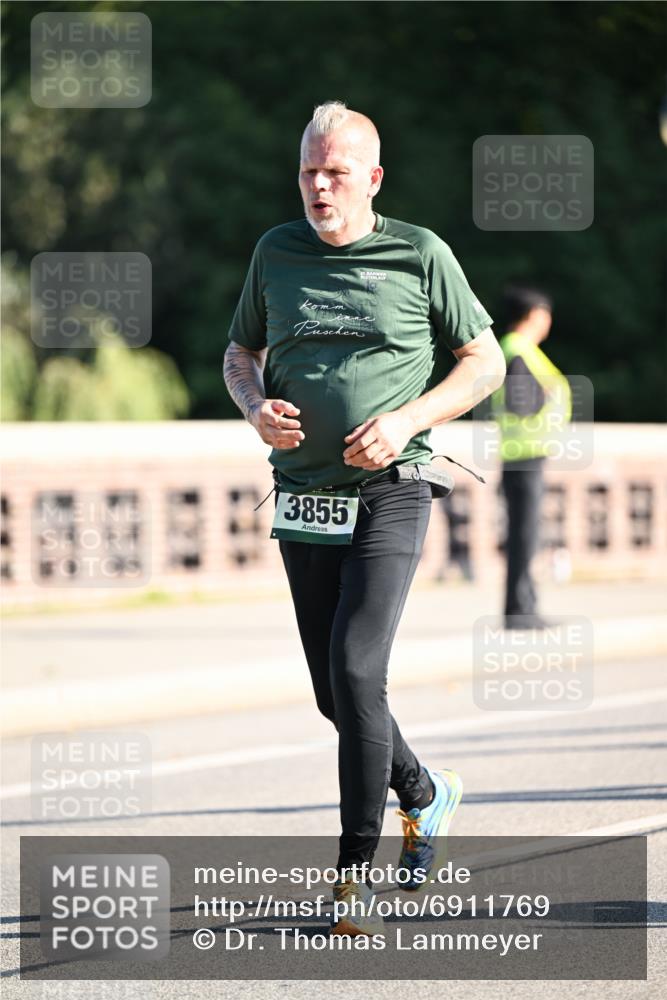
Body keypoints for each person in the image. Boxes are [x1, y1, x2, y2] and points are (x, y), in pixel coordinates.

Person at [223, 101, 505, 936]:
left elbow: (483, 360)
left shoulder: (420, 254)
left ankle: (353, 879)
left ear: (372, 180)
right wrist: (253, 408)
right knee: (330, 696)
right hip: (303, 498)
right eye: (308, 170)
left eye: (335, 172)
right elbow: (241, 353)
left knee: (355, 671)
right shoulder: (275, 251)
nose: (318, 185)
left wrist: (408, 421)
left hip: (392, 492)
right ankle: (424, 790)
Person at [492, 286, 571, 630]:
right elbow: (519, 401)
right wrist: (548, 395)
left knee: (525, 533)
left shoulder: (516, 350)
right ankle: (520, 610)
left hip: (523, 453)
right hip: (524, 454)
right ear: (535, 315)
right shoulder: (518, 350)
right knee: (524, 534)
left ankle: (522, 606)